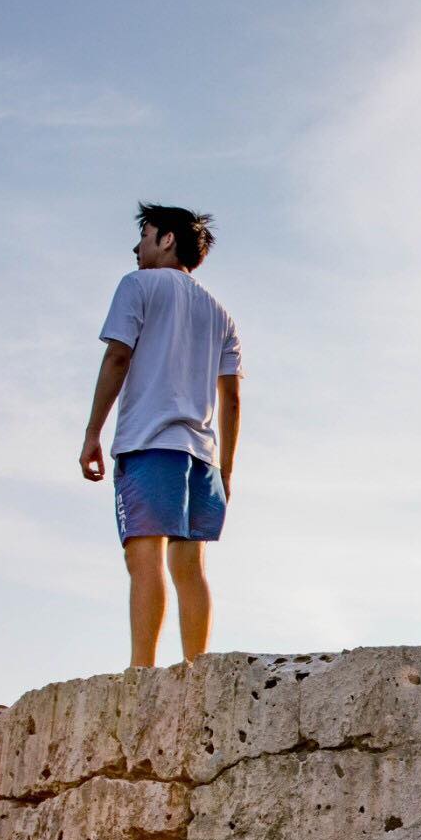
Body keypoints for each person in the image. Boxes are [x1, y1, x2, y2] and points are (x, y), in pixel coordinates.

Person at [79, 203, 243, 668]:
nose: (137, 246)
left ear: (168, 239)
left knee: (144, 557)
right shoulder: (221, 314)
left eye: (146, 235)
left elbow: (117, 358)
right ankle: (197, 672)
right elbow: (231, 399)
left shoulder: (138, 285)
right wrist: (226, 471)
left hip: (150, 443)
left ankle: (141, 672)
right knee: (190, 568)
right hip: (203, 456)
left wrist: (93, 431)